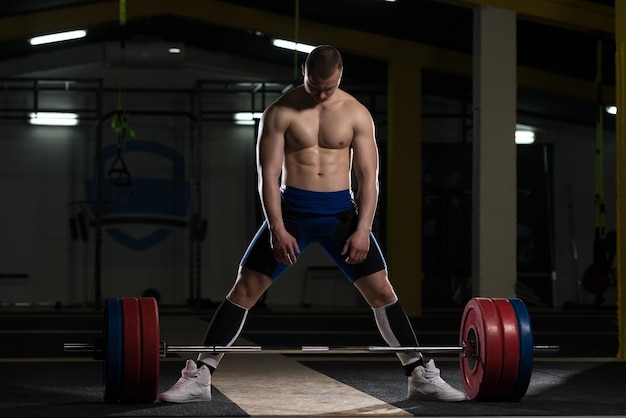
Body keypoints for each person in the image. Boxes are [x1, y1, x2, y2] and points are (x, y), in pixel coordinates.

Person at [159, 45, 467, 403]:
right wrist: (276, 228)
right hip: (293, 212)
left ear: (340, 75)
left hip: (340, 214)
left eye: (329, 87)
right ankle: (199, 377)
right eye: (315, 86)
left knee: (382, 291)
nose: (321, 94)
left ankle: (420, 375)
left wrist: (363, 228)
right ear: (303, 70)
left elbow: (369, 177)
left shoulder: (357, 113)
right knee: (245, 289)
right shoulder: (279, 112)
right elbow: (267, 176)